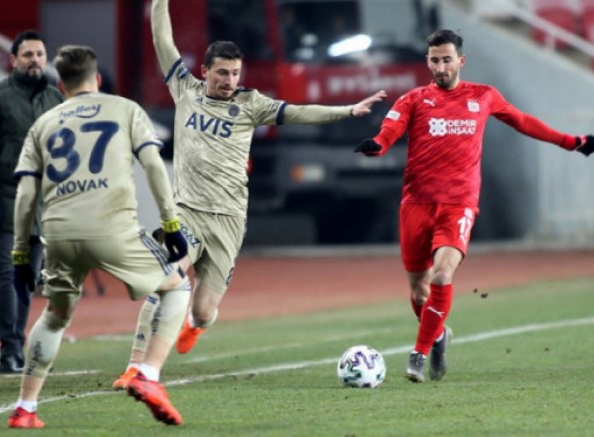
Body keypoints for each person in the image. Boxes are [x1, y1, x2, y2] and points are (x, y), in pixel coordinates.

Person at [111, 0, 387, 389]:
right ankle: (136, 366)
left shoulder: (250, 104)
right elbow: (162, 39)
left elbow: (298, 112)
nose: (229, 80)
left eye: (235, 73)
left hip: (228, 221)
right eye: (222, 72)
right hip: (187, 213)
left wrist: (346, 110)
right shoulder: (185, 89)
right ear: (205, 71)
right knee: (165, 278)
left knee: (204, 311)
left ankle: (195, 325)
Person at [354, 29, 594, 383]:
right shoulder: (413, 100)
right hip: (416, 203)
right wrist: (376, 146)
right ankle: (438, 335)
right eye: (434, 61)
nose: (440, 67)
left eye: (446, 60)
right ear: (427, 61)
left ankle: (418, 355)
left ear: (461, 61)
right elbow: (388, 133)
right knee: (419, 292)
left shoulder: (483, 96)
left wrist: (570, 142)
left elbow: (522, 121)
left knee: (442, 274)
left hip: (459, 203)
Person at [7, 45, 191, 428]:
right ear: (98, 79)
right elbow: (153, 165)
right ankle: (148, 374)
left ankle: (25, 408)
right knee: (177, 286)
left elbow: (25, 194)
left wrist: (21, 253)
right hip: (112, 226)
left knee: (55, 315)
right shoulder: (124, 109)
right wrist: (170, 223)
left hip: (58, 233)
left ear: (60, 85)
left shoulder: (43, 123)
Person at [0, 30, 63, 374]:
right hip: (7, 197)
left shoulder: (56, 98)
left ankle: (19, 345)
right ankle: (10, 351)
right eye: (28, 55)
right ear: (13, 60)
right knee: (8, 273)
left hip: (43, 203)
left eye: (40, 54)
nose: (35, 60)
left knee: (28, 278)